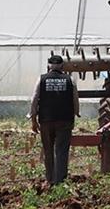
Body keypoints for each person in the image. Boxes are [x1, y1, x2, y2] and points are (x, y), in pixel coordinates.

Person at [29, 55, 79, 185]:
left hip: (46, 120)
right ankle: (60, 180)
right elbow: (75, 100)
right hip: (65, 120)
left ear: (48, 66)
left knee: (48, 149)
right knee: (62, 150)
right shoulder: (70, 80)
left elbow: (34, 99)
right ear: (62, 66)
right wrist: (76, 114)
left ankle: (50, 178)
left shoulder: (41, 79)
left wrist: (33, 119)